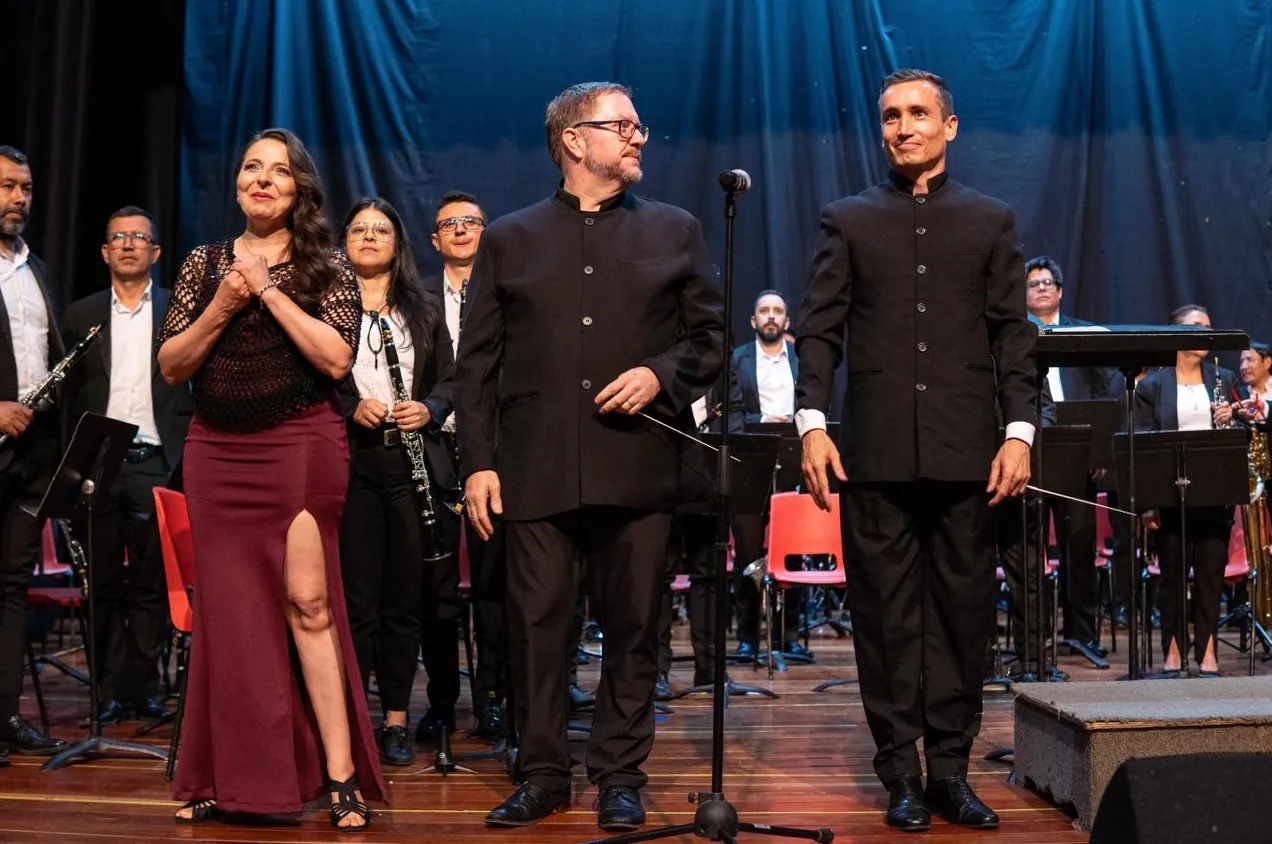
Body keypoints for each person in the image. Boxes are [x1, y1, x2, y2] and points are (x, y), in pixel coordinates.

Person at [456, 81, 724, 832]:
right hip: (535, 469)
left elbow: (710, 340)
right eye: (623, 126)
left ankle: (619, 775)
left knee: (635, 629)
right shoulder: (510, 237)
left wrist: (659, 375)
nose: (639, 137)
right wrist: (478, 462)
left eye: (639, 126)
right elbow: (477, 366)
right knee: (537, 631)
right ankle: (542, 773)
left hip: (638, 468)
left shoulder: (675, 229)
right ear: (574, 139)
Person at [796, 69, 1035, 832]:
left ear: (949, 126)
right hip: (875, 456)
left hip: (970, 456)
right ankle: (901, 772)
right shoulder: (848, 219)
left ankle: (951, 773)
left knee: (965, 617)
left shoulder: (990, 220)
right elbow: (819, 330)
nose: (903, 127)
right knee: (886, 621)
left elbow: (1012, 337)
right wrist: (811, 423)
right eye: (891, 116)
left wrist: (1020, 432)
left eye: (919, 113)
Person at [157, 128, 384, 829]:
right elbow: (172, 364)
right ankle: (221, 777)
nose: (262, 179)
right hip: (216, 452)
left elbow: (337, 360)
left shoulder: (326, 267)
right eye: (252, 168)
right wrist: (226, 301)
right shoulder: (203, 264)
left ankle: (341, 777)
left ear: (298, 188)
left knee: (309, 605)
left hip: (299, 446)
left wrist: (267, 291)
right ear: (237, 184)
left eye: (278, 171)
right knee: (228, 618)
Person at [60, 206, 193, 724]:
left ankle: (142, 687)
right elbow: (70, 398)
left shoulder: (178, 308)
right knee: (101, 583)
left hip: (157, 459)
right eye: (119, 237)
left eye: (139, 237)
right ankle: (107, 690)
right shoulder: (81, 314)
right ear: (105, 252)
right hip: (98, 463)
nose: (129, 244)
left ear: (155, 252)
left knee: (153, 582)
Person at [335, 197, 454, 767]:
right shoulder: (326, 305)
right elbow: (310, 377)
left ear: (397, 242)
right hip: (351, 462)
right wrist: (348, 407)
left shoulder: (423, 307)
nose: (369, 236)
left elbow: (453, 380)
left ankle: (397, 721)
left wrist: (428, 408)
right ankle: (353, 721)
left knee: (404, 601)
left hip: (410, 463)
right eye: (358, 229)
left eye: (380, 229)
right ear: (343, 241)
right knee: (357, 600)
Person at [418, 190, 503, 744]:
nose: (461, 230)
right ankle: (442, 702)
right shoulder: (416, 298)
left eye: (470, 221)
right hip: (434, 452)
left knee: (495, 583)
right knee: (437, 586)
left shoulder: (505, 291)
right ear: (434, 239)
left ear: (485, 231)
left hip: (492, 456)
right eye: (449, 224)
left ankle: (493, 698)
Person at [0, 144, 67, 764]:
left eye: (24, 187)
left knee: (13, 586)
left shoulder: (35, 268)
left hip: (30, 455)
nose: (18, 197)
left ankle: (5, 715)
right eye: (6, 186)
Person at [1133, 305, 1235, 677]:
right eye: (1196, 327)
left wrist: (1230, 419)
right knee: (1172, 575)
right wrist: (1147, 505)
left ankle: (1208, 650)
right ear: (1175, 333)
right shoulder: (1152, 385)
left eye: (1208, 327)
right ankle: (1173, 648)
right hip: (1169, 494)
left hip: (1213, 491)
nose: (1205, 333)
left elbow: (1237, 439)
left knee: (1210, 574)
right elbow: (1144, 447)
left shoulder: (1223, 377)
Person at [1025, 255, 1114, 660]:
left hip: (1078, 452)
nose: (1041, 288)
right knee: (1029, 547)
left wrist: (1099, 450)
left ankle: (1081, 633)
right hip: (1030, 448)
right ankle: (1035, 635)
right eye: (1033, 284)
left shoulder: (1082, 334)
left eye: (1048, 283)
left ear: (1060, 291)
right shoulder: (1016, 335)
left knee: (1079, 546)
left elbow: (1103, 393)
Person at [728, 289, 804, 660]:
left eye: (777, 311)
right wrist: (762, 420)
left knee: (793, 552)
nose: (771, 316)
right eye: (764, 311)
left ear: (786, 321)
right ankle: (748, 637)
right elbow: (729, 412)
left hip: (793, 463)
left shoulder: (801, 359)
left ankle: (789, 636)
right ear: (753, 320)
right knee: (746, 553)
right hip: (749, 463)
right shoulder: (737, 359)